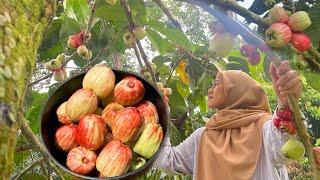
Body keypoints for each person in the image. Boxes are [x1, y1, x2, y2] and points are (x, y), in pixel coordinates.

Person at [153, 60, 302, 180]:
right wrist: (159, 115)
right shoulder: (203, 135)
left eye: (217, 83)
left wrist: (285, 102)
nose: (210, 90)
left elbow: (282, 147)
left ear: (235, 90)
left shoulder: (264, 127)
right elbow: (168, 161)